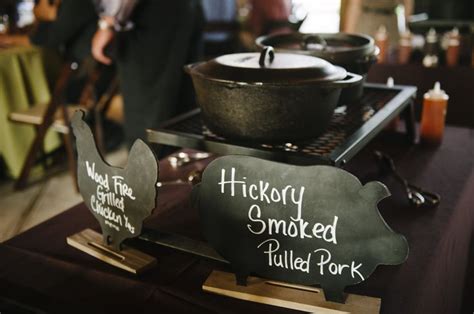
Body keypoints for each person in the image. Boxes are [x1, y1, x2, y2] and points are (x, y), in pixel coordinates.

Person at [92, 0, 204, 146]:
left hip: (152, 17)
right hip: (187, 9)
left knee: (147, 115)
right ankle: (180, 166)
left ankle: (153, 167)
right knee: (181, 107)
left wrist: (108, 23)